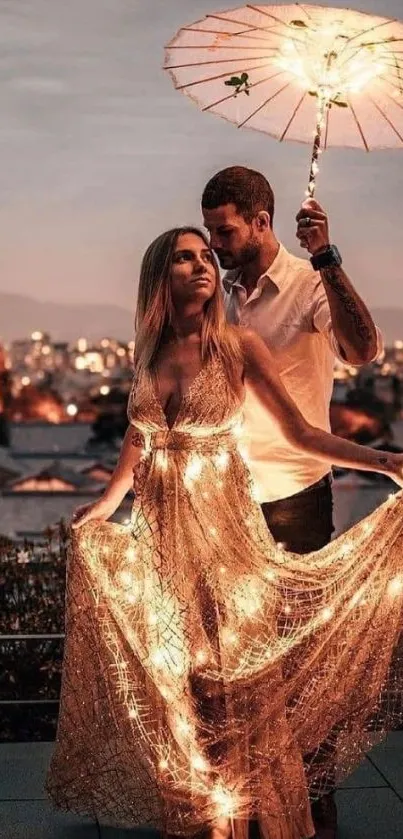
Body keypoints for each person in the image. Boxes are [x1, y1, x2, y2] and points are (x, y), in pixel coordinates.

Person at [46, 228, 403, 839]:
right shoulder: (148, 351)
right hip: (164, 542)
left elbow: (301, 434)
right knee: (181, 689)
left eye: (206, 255)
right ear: (161, 275)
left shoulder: (239, 347)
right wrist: (108, 499)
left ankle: (260, 824)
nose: (202, 264)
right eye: (185, 257)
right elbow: (142, 433)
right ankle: (211, 821)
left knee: (237, 689)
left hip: (225, 540)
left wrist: (387, 463)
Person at [201, 167, 383, 837]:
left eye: (225, 230)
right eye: (211, 232)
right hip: (225, 503)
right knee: (233, 669)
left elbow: (362, 350)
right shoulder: (219, 294)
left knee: (300, 666)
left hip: (295, 499)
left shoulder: (307, 284)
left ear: (259, 220)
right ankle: (253, 806)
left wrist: (326, 257)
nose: (216, 243)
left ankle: (314, 810)